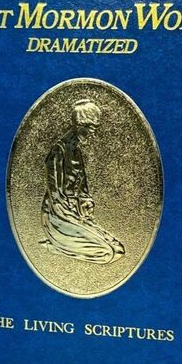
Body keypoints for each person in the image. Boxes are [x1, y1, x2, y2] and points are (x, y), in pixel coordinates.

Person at [40, 99, 125, 264]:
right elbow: (55, 196)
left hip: (77, 214)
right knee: (107, 253)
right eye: (92, 128)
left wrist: (86, 206)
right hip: (58, 216)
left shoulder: (76, 152)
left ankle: (63, 246)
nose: (93, 133)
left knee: (119, 250)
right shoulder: (58, 151)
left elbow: (82, 190)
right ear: (80, 125)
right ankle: (56, 247)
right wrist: (72, 215)